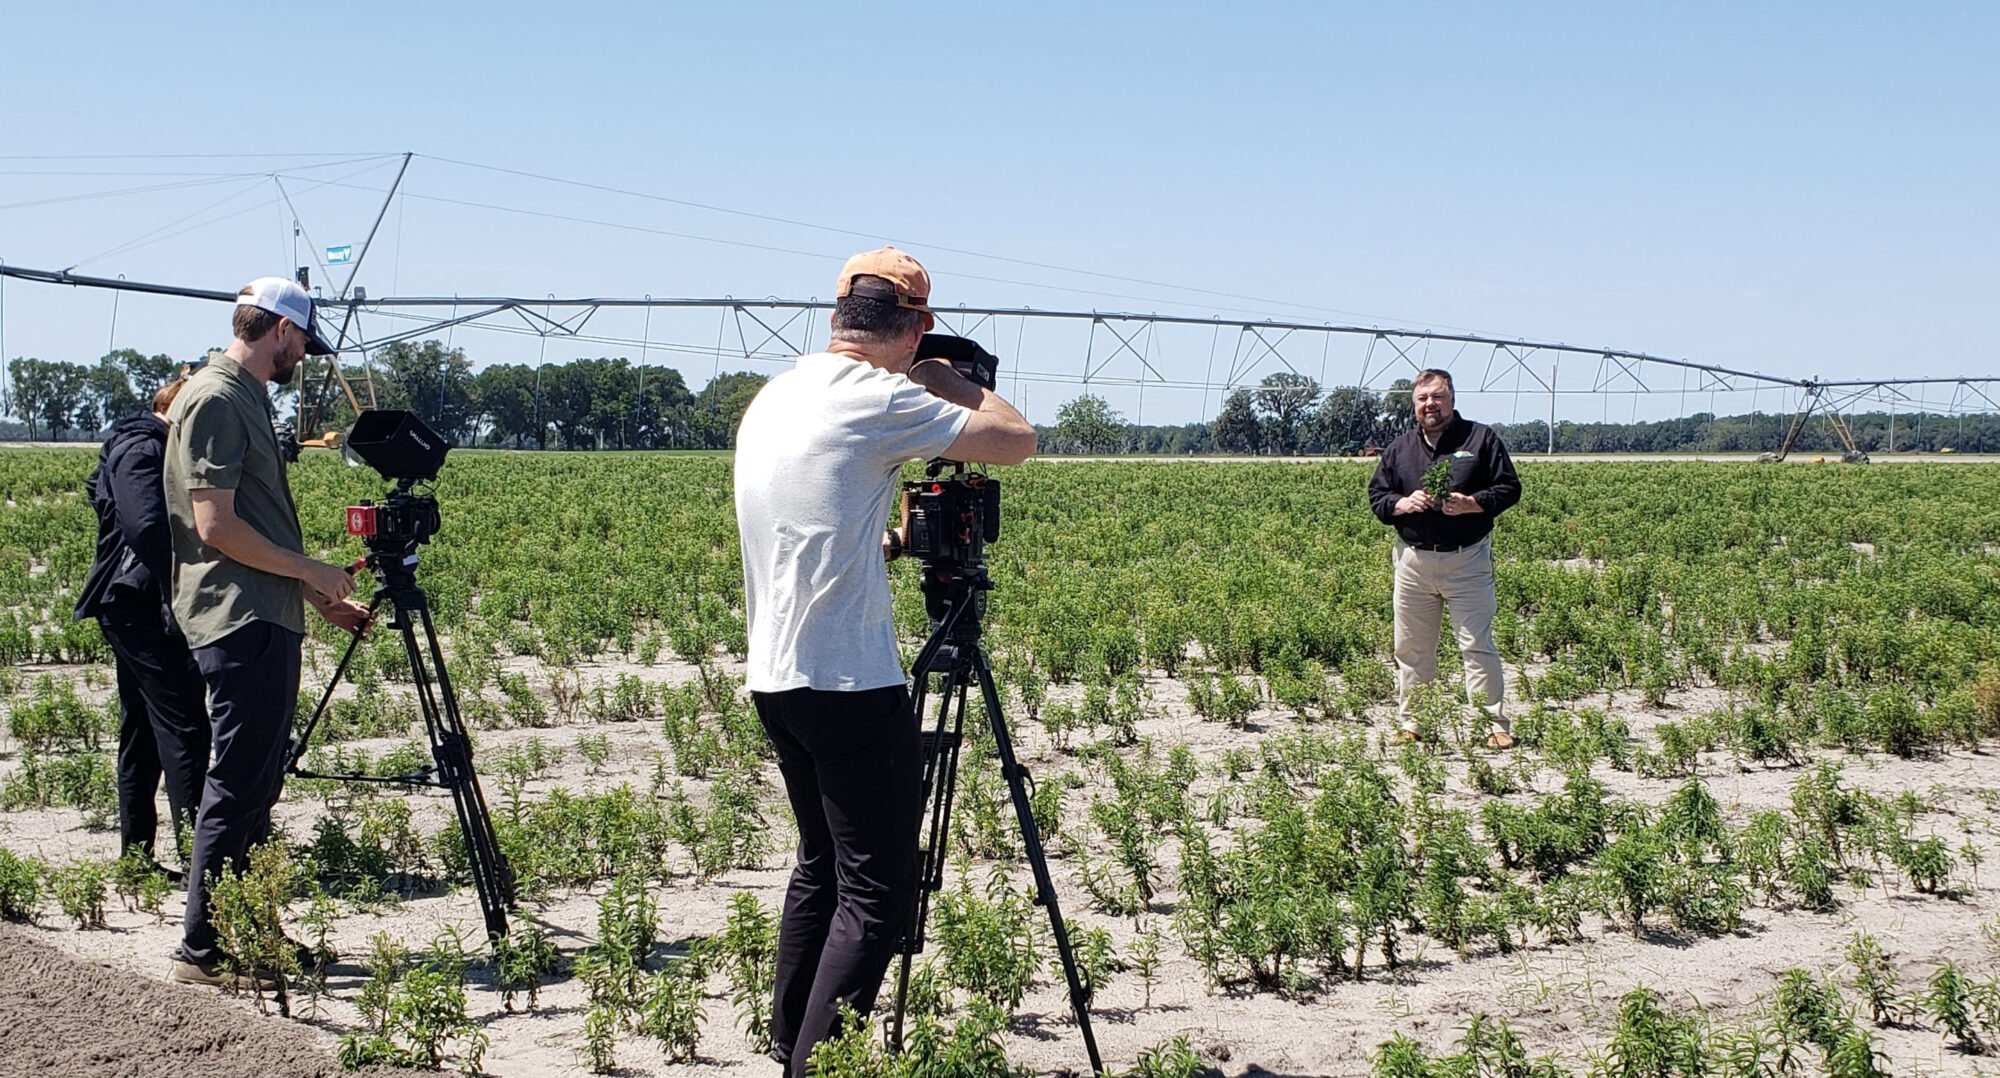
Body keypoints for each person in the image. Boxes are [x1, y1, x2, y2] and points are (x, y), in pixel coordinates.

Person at [733, 247, 1036, 1077]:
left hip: (777, 677)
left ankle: (786, 1038)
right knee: (878, 898)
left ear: (837, 315)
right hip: (847, 685)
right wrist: (947, 380)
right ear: (916, 328)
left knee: (821, 868)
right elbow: (1016, 439)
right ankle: (817, 1068)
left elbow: (819, 513)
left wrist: (894, 540)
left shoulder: (778, 393)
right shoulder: (877, 395)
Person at [163, 276, 370, 988]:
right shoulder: (219, 398)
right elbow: (216, 525)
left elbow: (252, 525)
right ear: (281, 331)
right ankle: (206, 949)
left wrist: (313, 594)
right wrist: (310, 568)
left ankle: (249, 930)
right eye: (303, 343)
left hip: (261, 612)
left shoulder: (238, 396)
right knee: (239, 784)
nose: (303, 358)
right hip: (238, 617)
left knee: (254, 787)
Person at [73, 377, 210, 876]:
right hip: (140, 606)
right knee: (186, 727)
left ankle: (136, 858)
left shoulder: (143, 443)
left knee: (144, 731)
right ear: (174, 409)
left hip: (135, 605)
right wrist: (185, 586)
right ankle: (205, 865)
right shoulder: (141, 445)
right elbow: (145, 525)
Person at [1367, 368, 1521, 748]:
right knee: (1411, 647)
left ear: (1452, 400)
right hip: (1413, 564)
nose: (1429, 404)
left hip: (1467, 561)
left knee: (1476, 644)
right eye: (1422, 399)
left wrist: (1473, 504)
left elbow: (1509, 488)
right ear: (1414, 404)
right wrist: (1401, 503)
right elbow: (1378, 497)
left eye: (1437, 397)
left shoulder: (1480, 439)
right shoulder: (1400, 449)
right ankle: (1413, 722)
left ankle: (1493, 725)